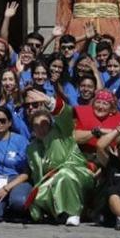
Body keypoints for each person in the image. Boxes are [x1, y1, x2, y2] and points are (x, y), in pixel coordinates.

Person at [22, 89, 94, 226]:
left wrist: (50, 102)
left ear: (50, 124)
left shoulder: (62, 133)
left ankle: (73, 213)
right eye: (36, 126)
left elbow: (66, 114)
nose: (41, 129)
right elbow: (38, 176)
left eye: (44, 124)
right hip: (51, 182)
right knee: (36, 198)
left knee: (64, 175)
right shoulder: (32, 149)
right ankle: (57, 213)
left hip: (77, 173)